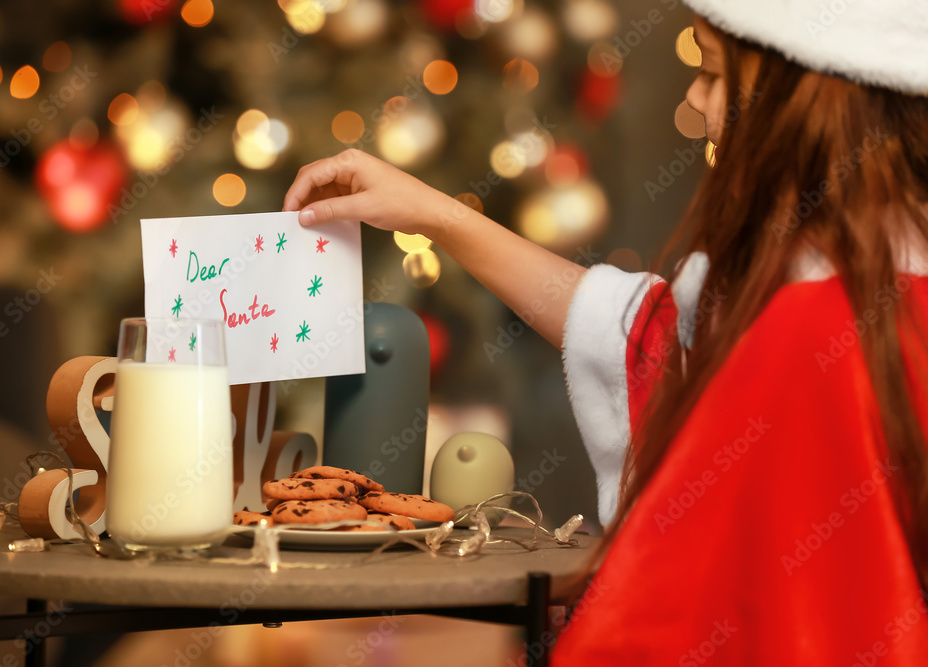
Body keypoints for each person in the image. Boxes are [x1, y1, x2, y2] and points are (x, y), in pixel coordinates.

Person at [284, 0, 928, 661]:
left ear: (801, 96)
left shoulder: (814, 330)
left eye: (710, 72)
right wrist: (438, 216)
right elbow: (654, 339)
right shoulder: (836, 287)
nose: (695, 95)